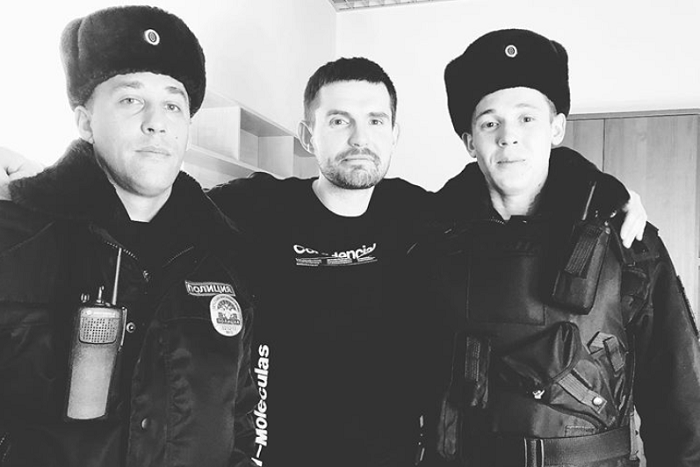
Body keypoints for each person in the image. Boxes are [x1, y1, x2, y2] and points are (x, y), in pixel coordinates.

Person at [0, 55, 646, 466]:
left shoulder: (427, 214)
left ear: (394, 133)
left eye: (375, 121)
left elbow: (511, 179)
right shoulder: (250, 209)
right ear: (309, 134)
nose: (359, 137)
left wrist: (603, 192)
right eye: (338, 121)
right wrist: (39, 182)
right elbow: (149, 193)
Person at [420, 29, 700, 467]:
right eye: (490, 122)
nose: (508, 137)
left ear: (556, 127)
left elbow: (682, 403)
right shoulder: (430, 242)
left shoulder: (626, 238)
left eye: (527, 118)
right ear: (470, 141)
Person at [0, 6, 257, 467]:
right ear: (85, 121)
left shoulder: (226, 255)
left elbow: (240, 415)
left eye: (174, 104)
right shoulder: (15, 239)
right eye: (130, 99)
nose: (156, 121)